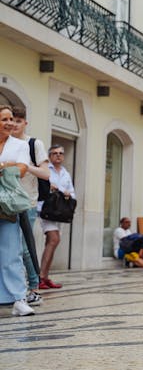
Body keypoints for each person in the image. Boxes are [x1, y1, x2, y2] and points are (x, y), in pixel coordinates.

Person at [11, 106, 49, 301]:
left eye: (18, 121)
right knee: (10, 246)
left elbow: (46, 173)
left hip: (27, 203)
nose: (14, 124)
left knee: (25, 247)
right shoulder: (4, 144)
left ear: (25, 123)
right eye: (11, 120)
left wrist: (28, 167)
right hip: (6, 203)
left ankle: (34, 288)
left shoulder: (34, 144)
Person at [0, 104, 35, 316]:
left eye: (11, 119)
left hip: (8, 202)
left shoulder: (20, 145)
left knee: (11, 249)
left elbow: (22, 169)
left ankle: (19, 299)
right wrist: (7, 165)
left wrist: (3, 167)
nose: (10, 123)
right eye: (4, 119)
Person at [42, 143, 74, 289]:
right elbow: (44, 187)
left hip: (60, 213)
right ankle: (41, 277)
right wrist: (58, 189)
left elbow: (72, 192)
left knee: (51, 243)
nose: (58, 155)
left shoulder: (65, 173)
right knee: (54, 239)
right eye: (55, 153)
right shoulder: (46, 170)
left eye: (61, 153)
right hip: (46, 210)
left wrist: (67, 194)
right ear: (50, 156)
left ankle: (45, 276)